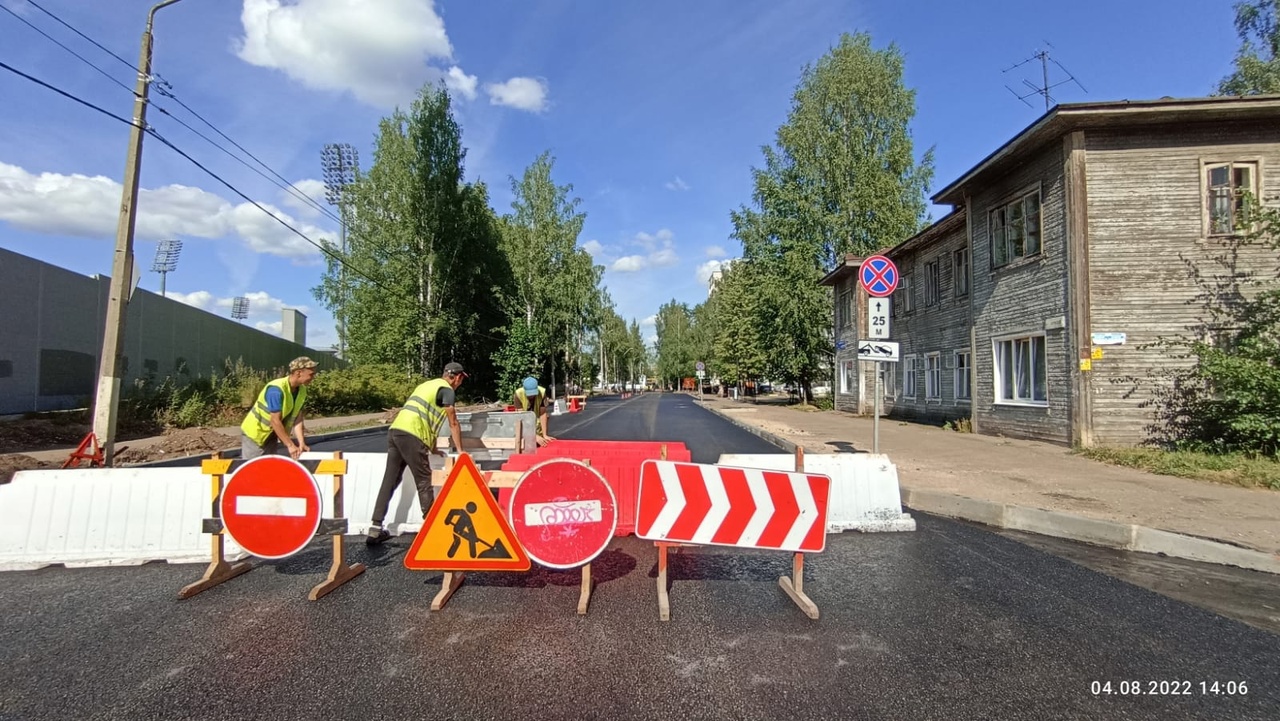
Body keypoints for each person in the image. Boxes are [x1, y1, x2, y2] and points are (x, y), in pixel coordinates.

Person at [366, 361, 467, 545]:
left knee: (390, 479)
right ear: (457, 377)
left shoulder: (427, 385)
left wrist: (434, 448)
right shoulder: (447, 390)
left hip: (396, 431)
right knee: (424, 480)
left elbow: (428, 419)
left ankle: (375, 527)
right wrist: (460, 451)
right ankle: (432, 527)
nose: (460, 383)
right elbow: (453, 422)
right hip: (412, 435)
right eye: (461, 380)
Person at [239, 356, 317, 460]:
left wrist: (301, 443)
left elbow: (298, 419)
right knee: (253, 469)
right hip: (255, 433)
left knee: (269, 468)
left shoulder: (301, 390)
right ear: (299, 373)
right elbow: (275, 420)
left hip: (271, 434)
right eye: (311, 374)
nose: (313, 377)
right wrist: (290, 445)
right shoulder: (276, 390)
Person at [513, 376, 556, 447]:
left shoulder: (542, 392)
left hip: (537, 430)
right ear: (524, 389)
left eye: (533, 393)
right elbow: (520, 418)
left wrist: (545, 435)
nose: (531, 396)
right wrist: (533, 436)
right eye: (529, 394)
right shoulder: (518, 394)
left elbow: (543, 413)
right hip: (524, 431)